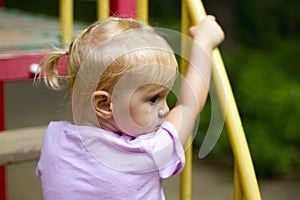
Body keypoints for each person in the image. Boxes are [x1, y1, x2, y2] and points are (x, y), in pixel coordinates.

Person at [36, 16, 224, 200]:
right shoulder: (146, 152)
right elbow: (189, 105)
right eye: (153, 99)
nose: (165, 110)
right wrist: (204, 41)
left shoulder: (54, 138)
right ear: (104, 105)